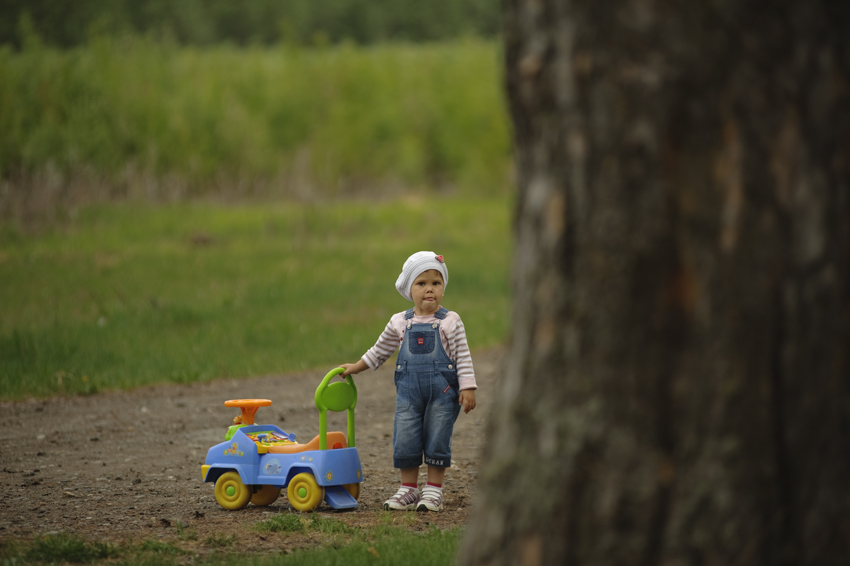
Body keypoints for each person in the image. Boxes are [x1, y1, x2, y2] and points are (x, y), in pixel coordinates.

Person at [340, 251, 477, 512]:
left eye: (436, 284)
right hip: (408, 395)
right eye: (421, 283)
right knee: (405, 437)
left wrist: (468, 387)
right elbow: (379, 350)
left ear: (443, 289)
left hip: (443, 393)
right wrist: (357, 367)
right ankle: (409, 489)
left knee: (438, 437)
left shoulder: (450, 321)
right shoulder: (400, 322)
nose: (429, 290)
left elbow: (463, 355)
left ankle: (433, 490)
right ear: (409, 289)